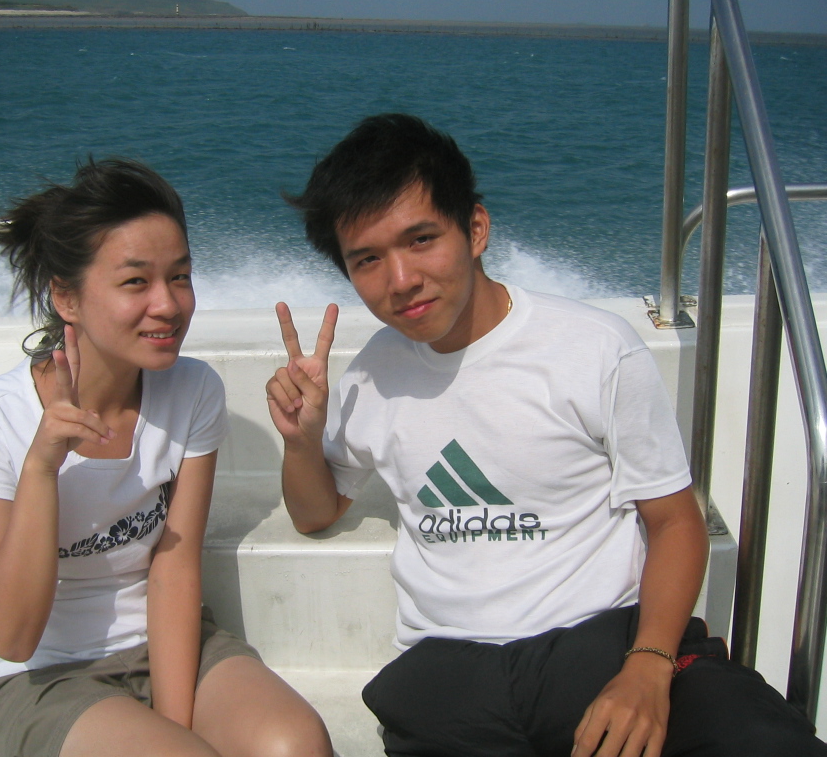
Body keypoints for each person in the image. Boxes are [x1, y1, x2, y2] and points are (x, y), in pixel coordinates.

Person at [266, 113, 825, 757]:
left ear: (476, 229)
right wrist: (302, 439)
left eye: (421, 240)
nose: (400, 280)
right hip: (449, 676)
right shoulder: (371, 377)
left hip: (598, 642)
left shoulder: (593, 348)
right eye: (367, 259)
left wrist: (648, 667)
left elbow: (675, 521)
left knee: (764, 742)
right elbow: (314, 512)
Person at [0, 158, 331, 757]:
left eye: (180, 276)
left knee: (295, 746)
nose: (168, 304)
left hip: (166, 645)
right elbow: (12, 636)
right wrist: (41, 469)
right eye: (136, 282)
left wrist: (175, 722)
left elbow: (174, 567)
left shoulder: (192, 390)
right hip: (42, 675)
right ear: (67, 297)